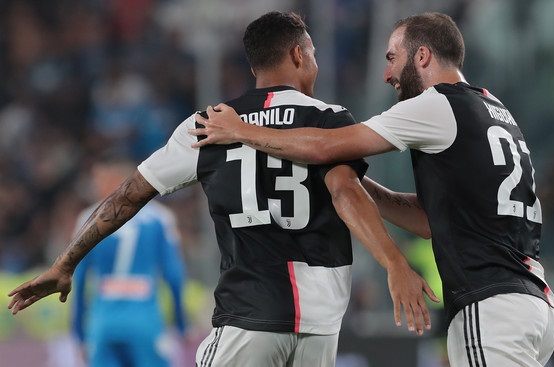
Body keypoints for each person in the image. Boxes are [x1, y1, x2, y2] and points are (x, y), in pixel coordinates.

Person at [8, 11, 438, 367]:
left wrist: (66, 262)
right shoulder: (330, 119)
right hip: (320, 324)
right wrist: (394, 263)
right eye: (313, 54)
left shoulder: (209, 124)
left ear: (254, 67)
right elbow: (346, 190)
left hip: (247, 318)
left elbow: (130, 194)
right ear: (297, 54)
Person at [190, 12, 554, 367]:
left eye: (392, 58)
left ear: (423, 55)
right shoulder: (493, 108)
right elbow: (431, 221)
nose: (386, 74)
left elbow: (325, 146)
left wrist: (241, 131)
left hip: (491, 304)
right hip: (533, 303)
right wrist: (349, 180)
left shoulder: (436, 103)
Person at [71, 155, 187, 367]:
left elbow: (76, 281)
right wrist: (181, 323)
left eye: (100, 178)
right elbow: (174, 275)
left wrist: (78, 333)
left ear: (118, 181)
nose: (95, 185)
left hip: (103, 323)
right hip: (145, 321)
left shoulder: (87, 219)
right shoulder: (160, 218)